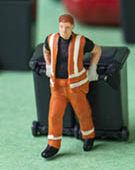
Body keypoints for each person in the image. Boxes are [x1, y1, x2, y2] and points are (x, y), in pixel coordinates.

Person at [40, 14, 102, 159]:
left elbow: (97, 50)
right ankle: (53, 144)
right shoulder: (51, 39)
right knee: (54, 115)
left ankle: (88, 136)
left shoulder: (81, 41)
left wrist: (93, 69)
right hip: (57, 87)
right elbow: (45, 50)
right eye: (61, 27)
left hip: (76, 87)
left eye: (67, 27)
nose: (64, 30)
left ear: (72, 27)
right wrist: (48, 65)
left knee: (83, 113)